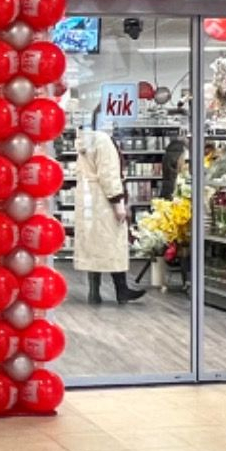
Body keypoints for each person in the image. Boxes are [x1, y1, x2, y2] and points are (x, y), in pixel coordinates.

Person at [75, 109, 140, 304]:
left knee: (94, 247)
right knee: (113, 245)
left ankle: (94, 291)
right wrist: (117, 201)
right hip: (104, 201)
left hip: (89, 199)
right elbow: (109, 174)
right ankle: (122, 289)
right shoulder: (103, 140)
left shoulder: (87, 140)